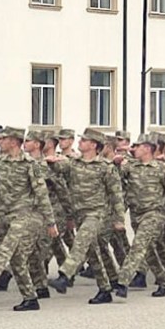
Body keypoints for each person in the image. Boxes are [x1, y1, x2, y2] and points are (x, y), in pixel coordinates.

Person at [0, 128, 58, 311]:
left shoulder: (30, 164)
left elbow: (42, 195)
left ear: (14, 142)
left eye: (4, 139)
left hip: (27, 215)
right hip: (6, 216)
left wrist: (50, 223)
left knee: (5, 249)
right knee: (17, 259)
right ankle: (30, 298)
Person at [47, 128, 125, 304]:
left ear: (93, 145)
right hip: (79, 214)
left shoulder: (106, 168)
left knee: (80, 241)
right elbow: (57, 167)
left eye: (84, 140)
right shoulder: (73, 164)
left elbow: (116, 195)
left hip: (97, 214)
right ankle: (105, 290)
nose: (79, 142)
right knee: (93, 252)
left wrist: (119, 219)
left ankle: (65, 275)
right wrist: (49, 161)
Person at [113, 134, 165, 299]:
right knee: (148, 251)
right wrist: (116, 164)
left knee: (138, 246)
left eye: (137, 146)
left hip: (154, 214)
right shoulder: (130, 167)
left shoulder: (163, 168)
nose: (134, 149)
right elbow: (114, 177)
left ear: (147, 148)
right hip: (136, 215)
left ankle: (122, 281)